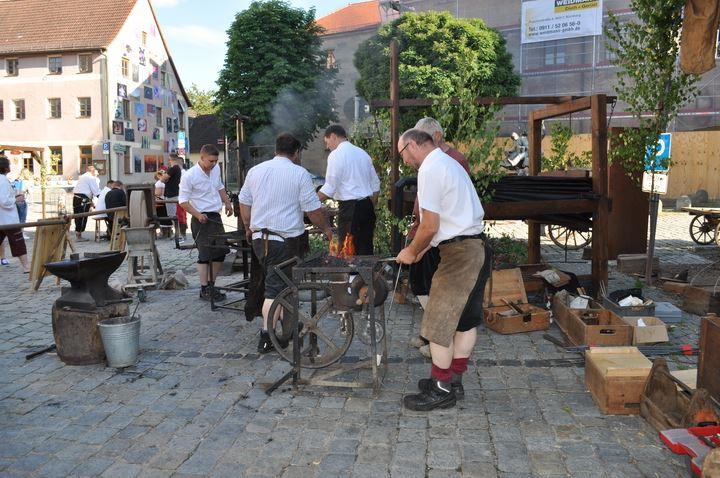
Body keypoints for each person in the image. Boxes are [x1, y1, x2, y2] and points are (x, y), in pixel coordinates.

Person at [396, 129, 487, 411]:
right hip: (475, 248)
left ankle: (441, 389)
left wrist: (411, 251)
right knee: (465, 322)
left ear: (413, 145)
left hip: (459, 255)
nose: (405, 161)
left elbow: (430, 226)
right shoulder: (450, 163)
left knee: (437, 322)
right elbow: (443, 226)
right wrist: (421, 250)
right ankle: (453, 381)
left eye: (403, 154)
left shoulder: (430, 168)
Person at [239, 133, 333, 353]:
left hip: (260, 240)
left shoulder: (256, 171)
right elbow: (313, 210)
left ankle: (288, 327)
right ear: (297, 153)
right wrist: (327, 229)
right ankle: (266, 337)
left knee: (281, 285)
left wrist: (248, 227)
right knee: (274, 289)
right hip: (283, 242)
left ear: (276, 149)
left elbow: (244, 202)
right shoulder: (299, 174)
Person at [408, 117, 472, 357]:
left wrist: (419, 243)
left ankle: (439, 340)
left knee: (436, 289)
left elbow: (445, 210)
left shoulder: (450, 160)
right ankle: (431, 333)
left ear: (435, 136)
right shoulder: (431, 162)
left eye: (421, 138)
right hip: (430, 231)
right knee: (419, 282)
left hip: (445, 236)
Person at [179, 144, 234, 302]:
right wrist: (198, 214)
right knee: (205, 255)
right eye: (211, 161)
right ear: (201, 158)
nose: (214, 164)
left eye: (216, 161)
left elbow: (220, 187)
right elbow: (183, 201)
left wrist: (227, 203)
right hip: (200, 219)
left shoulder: (215, 169)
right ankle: (204, 289)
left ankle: (211, 285)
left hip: (215, 217)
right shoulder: (189, 176)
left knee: (220, 253)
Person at [318, 124, 380, 255]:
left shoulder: (335, 155)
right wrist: (370, 205)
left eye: (327, 142)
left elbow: (329, 187)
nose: (327, 146)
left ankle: (351, 270)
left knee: (348, 252)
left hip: (349, 209)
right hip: (367, 207)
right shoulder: (363, 153)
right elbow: (375, 185)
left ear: (333, 136)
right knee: (366, 249)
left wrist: (311, 202)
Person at [0, 156, 30, 273]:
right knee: (18, 241)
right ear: (5, 167)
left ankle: (26, 266)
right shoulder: (2, 180)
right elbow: (4, 201)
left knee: (17, 242)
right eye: (8, 165)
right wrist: (16, 199)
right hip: (8, 219)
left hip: (4, 218)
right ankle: (26, 266)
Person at [72, 166, 100, 241]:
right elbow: (96, 191)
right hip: (83, 199)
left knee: (77, 216)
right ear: (92, 171)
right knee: (82, 216)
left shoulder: (82, 176)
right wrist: (101, 197)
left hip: (76, 198)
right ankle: (79, 235)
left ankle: (78, 233)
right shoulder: (91, 178)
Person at [165, 154, 186, 242]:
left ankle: (179, 234)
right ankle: (178, 233)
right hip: (174, 194)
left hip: (172, 195)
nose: (168, 162)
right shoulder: (177, 169)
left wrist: (162, 177)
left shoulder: (173, 168)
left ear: (171, 160)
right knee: (174, 215)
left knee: (174, 216)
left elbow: (163, 179)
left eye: (169, 160)